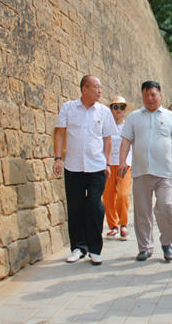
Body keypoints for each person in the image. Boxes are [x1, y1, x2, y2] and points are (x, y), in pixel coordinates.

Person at [53, 75, 117, 266]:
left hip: (97, 167)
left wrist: (107, 163)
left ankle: (95, 250)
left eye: (100, 87)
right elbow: (59, 133)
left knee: (95, 206)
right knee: (75, 207)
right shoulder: (68, 108)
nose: (100, 91)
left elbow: (107, 139)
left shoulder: (104, 111)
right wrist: (57, 158)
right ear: (84, 89)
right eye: (96, 87)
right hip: (73, 166)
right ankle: (78, 248)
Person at [118, 81, 172, 262]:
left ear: (160, 95)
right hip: (141, 171)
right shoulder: (134, 117)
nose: (150, 98)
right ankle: (145, 247)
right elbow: (126, 140)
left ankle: (167, 243)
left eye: (153, 94)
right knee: (142, 212)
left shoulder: (171, 117)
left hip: (165, 172)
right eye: (146, 95)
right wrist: (122, 161)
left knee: (166, 206)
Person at [103, 96, 133, 241]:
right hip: (109, 164)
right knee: (108, 196)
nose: (118, 110)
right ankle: (113, 226)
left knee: (122, 194)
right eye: (115, 107)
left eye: (122, 107)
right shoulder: (106, 126)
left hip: (124, 164)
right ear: (111, 109)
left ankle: (123, 224)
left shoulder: (128, 126)